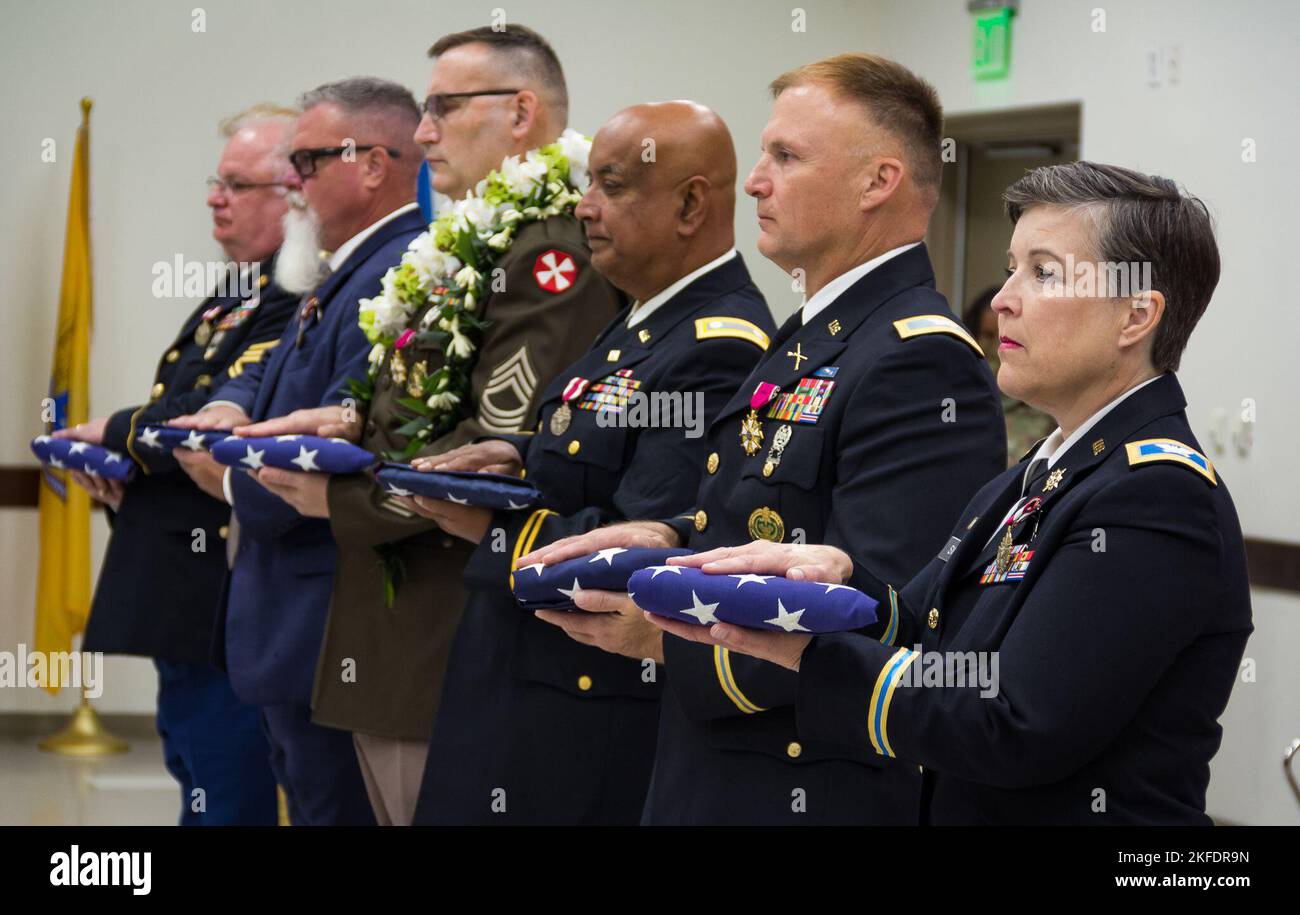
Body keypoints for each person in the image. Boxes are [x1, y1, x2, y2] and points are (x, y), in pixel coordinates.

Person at [657, 162, 1252, 826]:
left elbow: (1014, 720)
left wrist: (813, 654)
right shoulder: (1038, 473)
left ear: (1135, 315)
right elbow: (926, 635)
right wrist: (837, 584)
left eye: (1044, 272)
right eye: (1011, 266)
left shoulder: (1157, 494)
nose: (1001, 298)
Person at [521, 54, 1006, 824]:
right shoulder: (816, 336)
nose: (754, 182)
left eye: (786, 156)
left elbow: (880, 610)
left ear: (877, 182)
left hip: (803, 783)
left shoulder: (922, 357)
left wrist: (666, 640)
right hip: (711, 767)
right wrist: (665, 530)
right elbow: (759, 516)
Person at [238, 24, 624, 826]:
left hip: (447, 627)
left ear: (521, 113)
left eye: (444, 107)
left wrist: (331, 498)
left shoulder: (550, 243)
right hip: (398, 626)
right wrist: (345, 413)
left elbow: (493, 456)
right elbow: (415, 404)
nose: (421, 131)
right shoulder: (466, 238)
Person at [402, 101, 774, 824]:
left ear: (691, 203)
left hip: (583, 700)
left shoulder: (718, 341)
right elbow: (590, 450)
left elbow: (642, 540)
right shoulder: (643, 312)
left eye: (611, 185)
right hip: (519, 675)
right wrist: (510, 454)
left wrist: (491, 526)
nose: (586, 205)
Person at [171, 77, 428, 826]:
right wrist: (234, 407)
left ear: (374, 164)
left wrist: (230, 479)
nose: (295, 181)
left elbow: (348, 433)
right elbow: (282, 380)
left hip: (323, 619)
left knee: (333, 807)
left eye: (309, 160)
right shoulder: (339, 266)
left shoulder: (395, 268)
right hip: (290, 620)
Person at [54, 105, 299, 825]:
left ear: (290, 191)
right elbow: (187, 400)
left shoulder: (293, 296)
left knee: (227, 786)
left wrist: (116, 430)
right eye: (214, 182)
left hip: (221, 585)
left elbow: (217, 417)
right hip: (179, 577)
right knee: (193, 764)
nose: (213, 198)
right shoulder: (237, 290)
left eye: (236, 183)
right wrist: (120, 463)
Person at [965, 285, 1054, 463]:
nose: (996, 347)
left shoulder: (1047, 411)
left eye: (1004, 337)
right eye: (988, 336)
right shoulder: (959, 403)